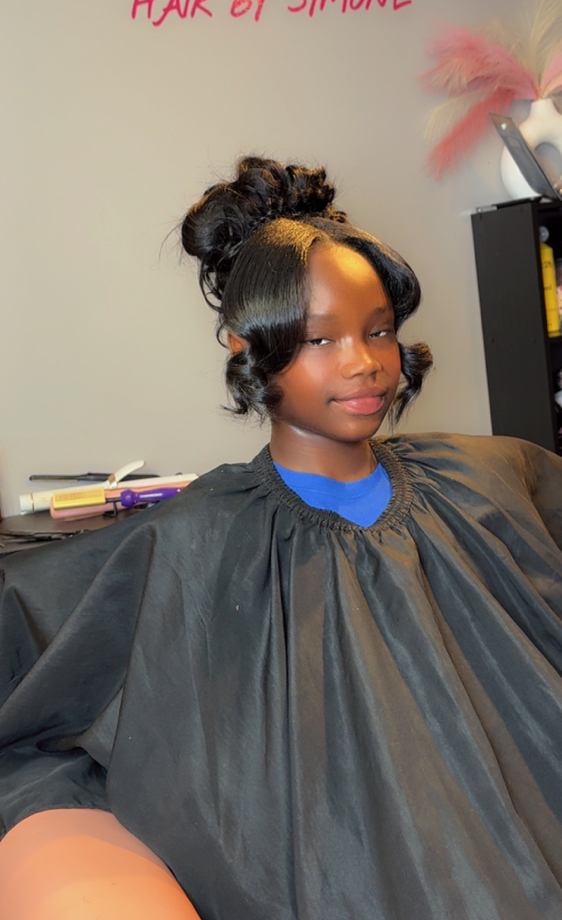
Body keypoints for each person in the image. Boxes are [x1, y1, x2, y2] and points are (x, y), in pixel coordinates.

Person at [1, 156, 562, 920]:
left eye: (380, 332)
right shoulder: (198, 537)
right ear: (245, 346)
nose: (365, 365)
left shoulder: (489, 476)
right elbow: (43, 660)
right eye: (321, 340)